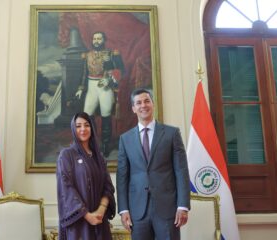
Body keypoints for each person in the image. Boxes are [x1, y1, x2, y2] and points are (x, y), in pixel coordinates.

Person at [116, 88, 190, 240]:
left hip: (167, 208)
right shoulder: (125, 139)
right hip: (137, 210)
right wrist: (123, 209)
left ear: (153, 104)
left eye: (146, 101)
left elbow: (181, 170)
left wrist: (182, 205)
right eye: (138, 103)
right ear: (133, 108)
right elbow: (122, 177)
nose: (143, 105)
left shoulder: (172, 133)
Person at [56, 112, 116, 240]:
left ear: (92, 128)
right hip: (78, 223)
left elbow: (108, 187)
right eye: (78, 126)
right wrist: (88, 216)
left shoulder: (99, 157)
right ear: (73, 129)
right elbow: (66, 189)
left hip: (99, 221)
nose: (83, 129)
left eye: (86, 125)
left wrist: (101, 210)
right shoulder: (66, 155)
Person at [75, 31, 124, 157]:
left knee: (105, 116)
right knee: (87, 116)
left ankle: (105, 145)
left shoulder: (112, 54)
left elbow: (121, 70)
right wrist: (81, 88)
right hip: (91, 87)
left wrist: (109, 78)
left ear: (104, 40)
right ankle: (93, 143)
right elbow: (84, 73)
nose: (96, 41)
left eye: (99, 38)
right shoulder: (87, 55)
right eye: (94, 38)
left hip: (105, 88)